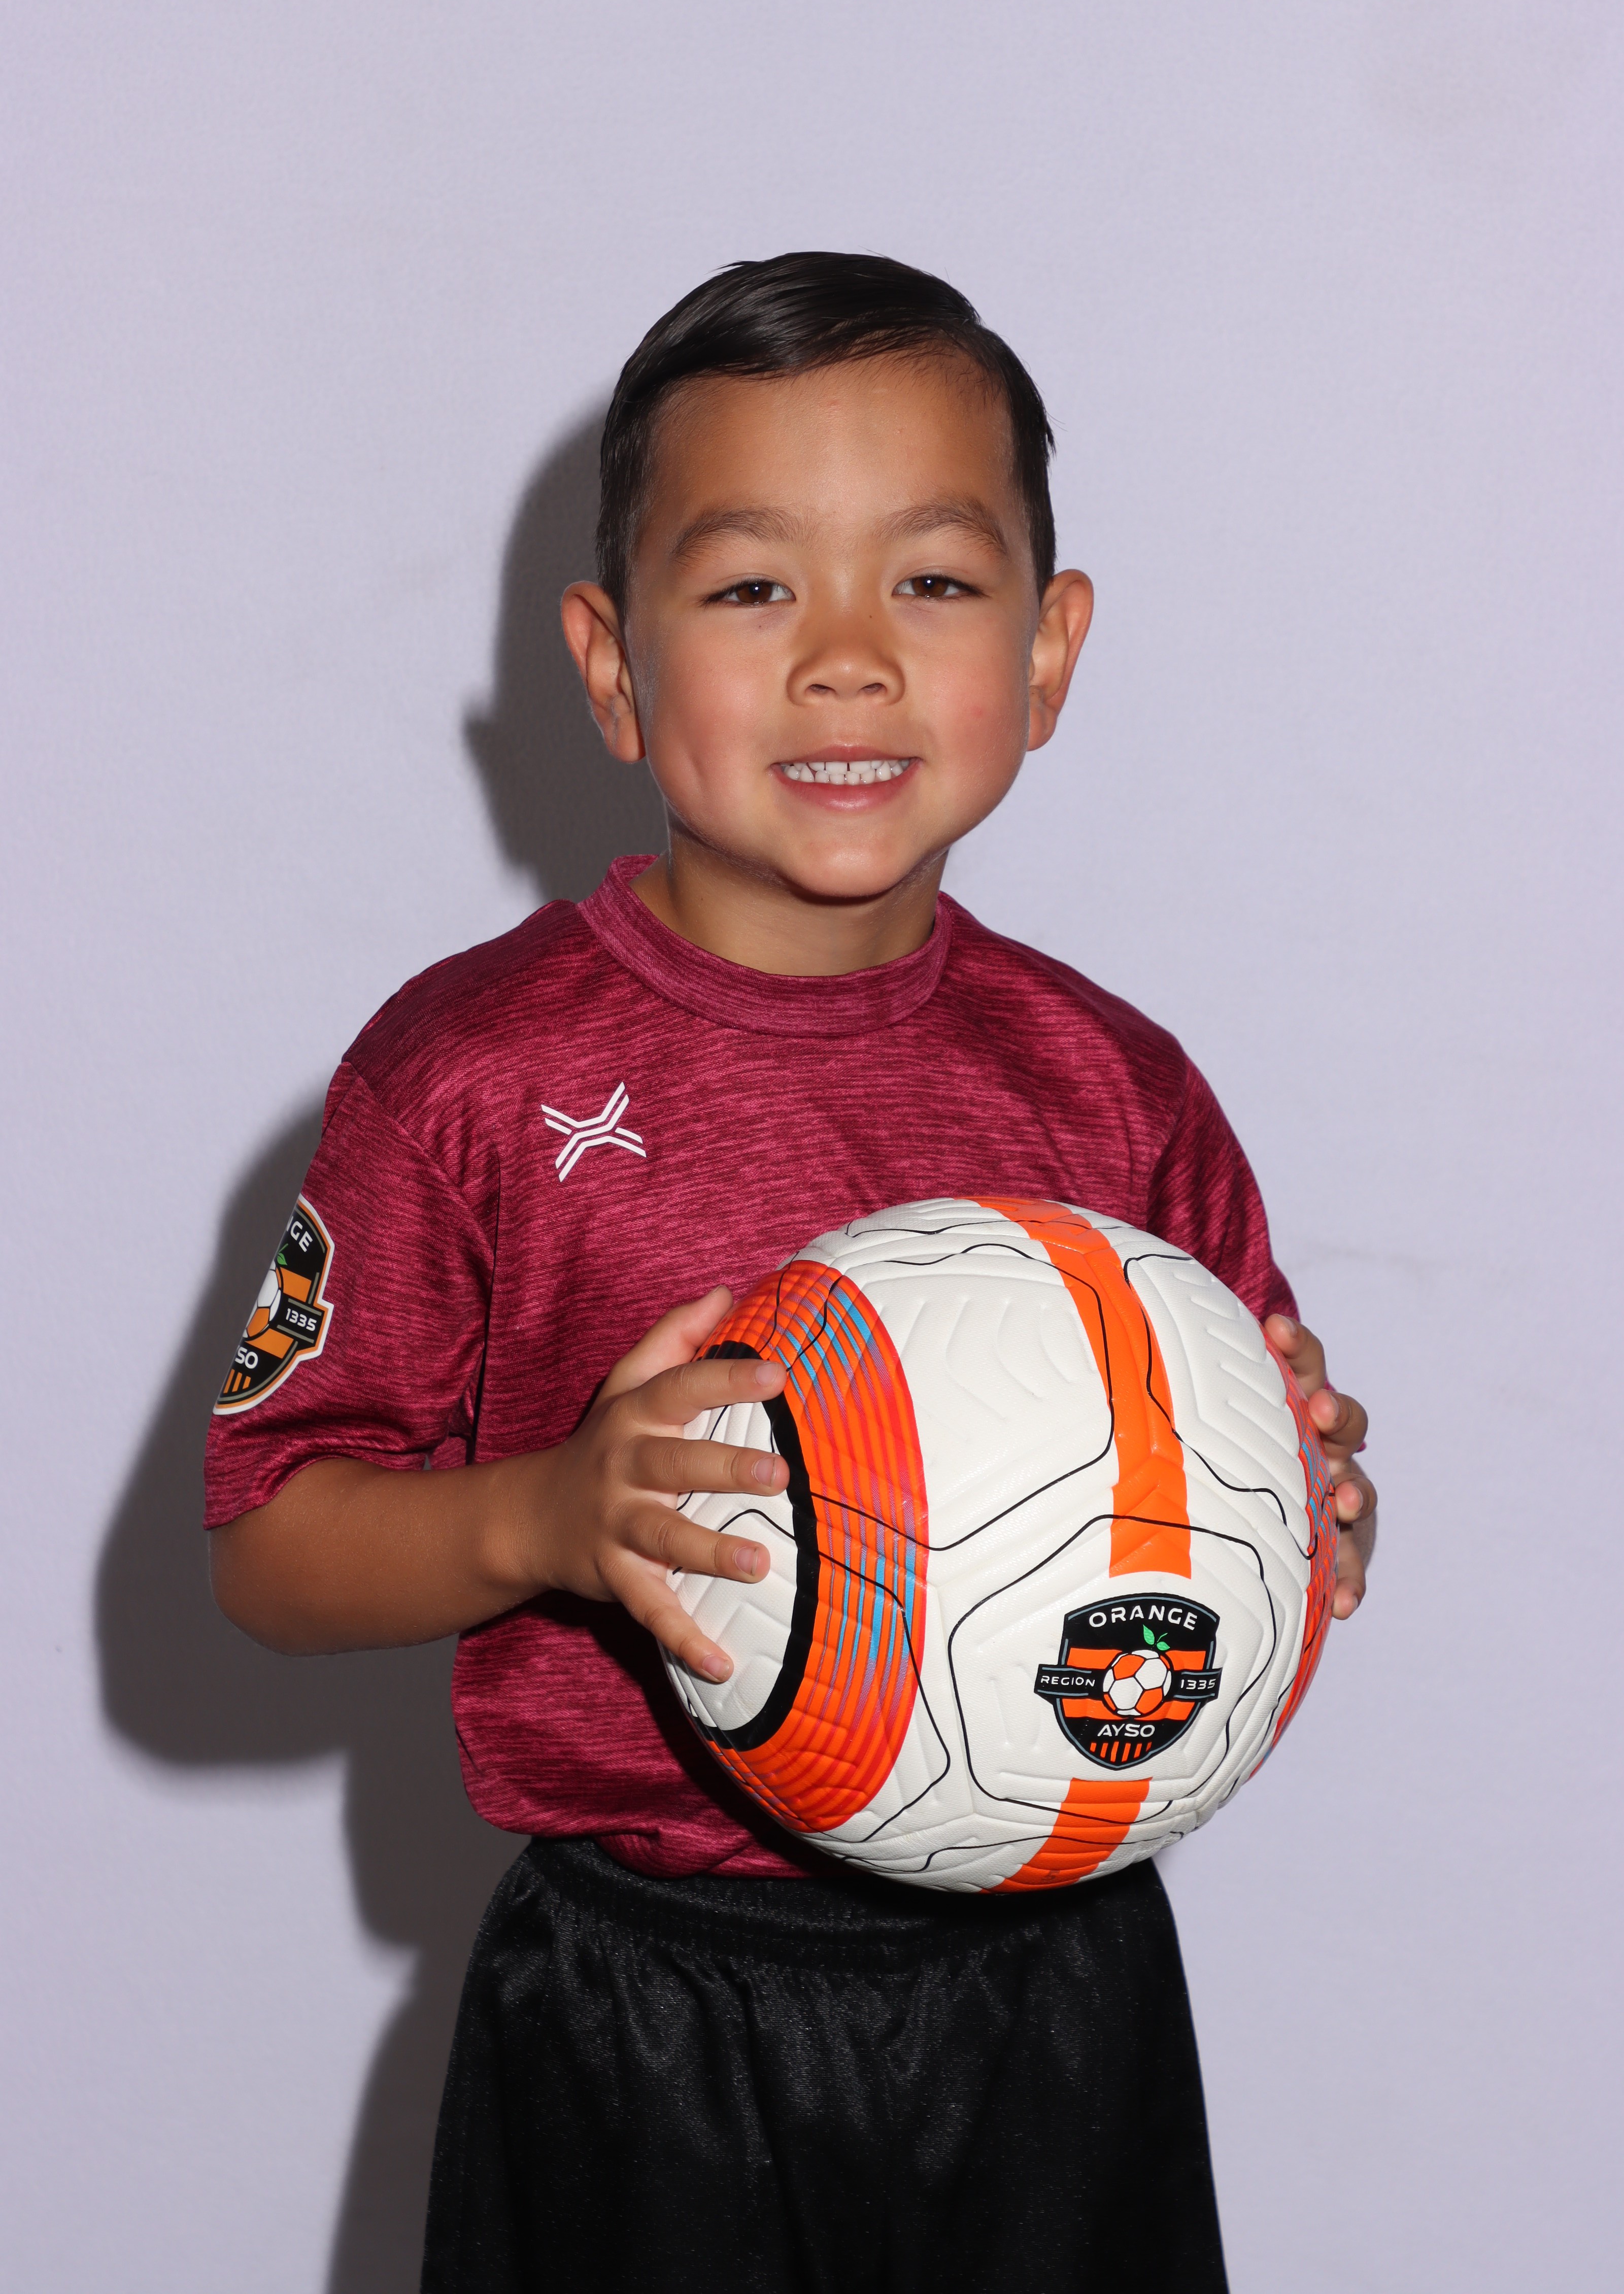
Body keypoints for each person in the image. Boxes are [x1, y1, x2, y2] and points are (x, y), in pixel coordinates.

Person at [206, 252, 1375, 2292]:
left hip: (1055, 1985)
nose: (845, 660)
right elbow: (269, 1547)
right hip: (642, 2005)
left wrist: (1305, 1508)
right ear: (610, 666)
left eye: (931, 581)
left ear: (1048, 652)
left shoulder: (1114, 1092)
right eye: (753, 587)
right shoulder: (467, 1074)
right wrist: (544, 1517)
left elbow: (1244, 1537)